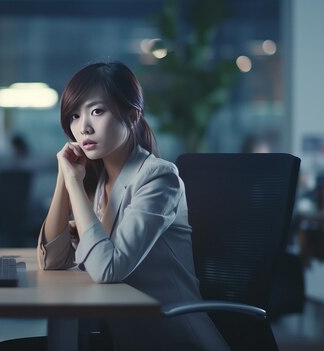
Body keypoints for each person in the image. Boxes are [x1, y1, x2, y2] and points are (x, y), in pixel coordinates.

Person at [37, 62, 228, 350]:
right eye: (75, 116)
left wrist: (75, 184)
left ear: (132, 114)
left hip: (174, 339)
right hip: (127, 338)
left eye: (97, 111)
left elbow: (108, 269)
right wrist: (64, 178)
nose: (83, 127)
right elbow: (51, 261)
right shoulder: (102, 182)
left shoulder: (158, 178)